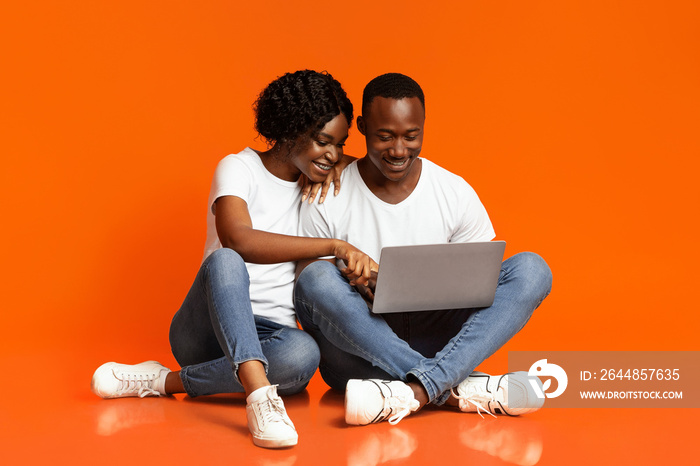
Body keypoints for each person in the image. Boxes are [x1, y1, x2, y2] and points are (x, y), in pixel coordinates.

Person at [90, 70, 377, 448]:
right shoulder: (239, 168)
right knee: (227, 260)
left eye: (340, 145)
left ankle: (162, 381)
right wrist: (335, 246)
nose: (333, 154)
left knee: (304, 354)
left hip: (269, 336)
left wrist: (345, 163)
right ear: (291, 130)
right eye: (324, 142)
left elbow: (375, 166)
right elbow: (238, 239)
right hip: (206, 330)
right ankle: (260, 399)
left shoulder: (319, 178)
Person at [294, 73, 553, 426]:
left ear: (423, 128)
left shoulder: (453, 191)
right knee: (316, 276)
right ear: (363, 127)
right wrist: (351, 281)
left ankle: (411, 391)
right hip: (358, 354)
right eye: (385, 137)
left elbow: (480, 282)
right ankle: (455, 384)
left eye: (411, 136)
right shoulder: (327, 195)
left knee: (532, 268)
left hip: (438, 339)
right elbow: (308, 293)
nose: (399, 150)